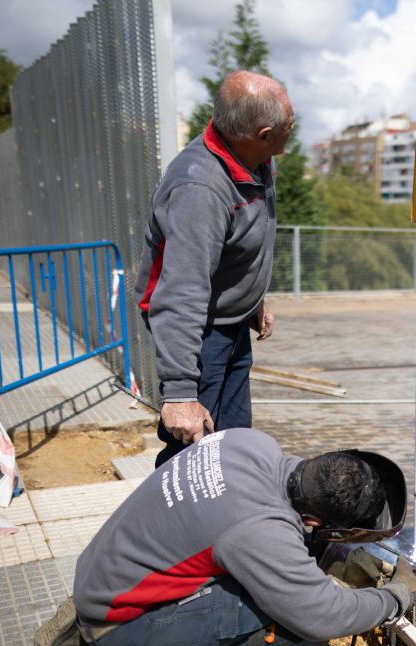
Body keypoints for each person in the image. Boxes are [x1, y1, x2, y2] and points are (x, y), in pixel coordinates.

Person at [32, 428, 416, 646]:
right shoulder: (260, 532)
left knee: (244, 572)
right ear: (313, 519)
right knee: (286, 617)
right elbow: (324, 613)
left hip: (104, 574)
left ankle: (83, 620)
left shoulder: (247, 442)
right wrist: (395, 596)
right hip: (123, 627)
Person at [135, 70, 291, 467]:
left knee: (233, 443)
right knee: (191, 449)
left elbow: (240, 242)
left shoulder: (256, 159)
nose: (295, 129)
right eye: (291, 124)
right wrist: (181, 392)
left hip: (230, 320)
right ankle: (173, 525)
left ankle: (224, 521)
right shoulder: (199, 191)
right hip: (197, 329)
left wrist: (251, 298)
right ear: (264, 133)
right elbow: (181, 293)